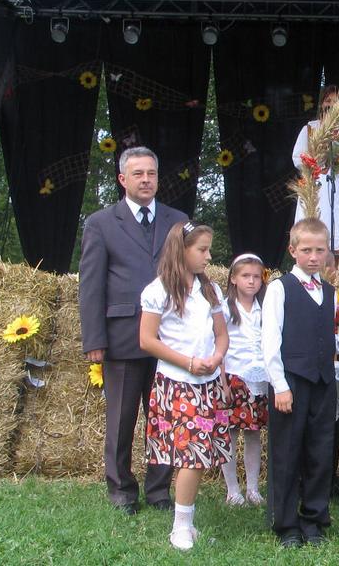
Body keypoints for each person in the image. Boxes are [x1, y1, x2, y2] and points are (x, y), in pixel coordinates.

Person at [79, 146, 186, 515]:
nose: (146, 180)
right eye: (138, 174)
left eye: (151, 173)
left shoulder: (178, 220)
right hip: (122, 337)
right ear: (122, 179)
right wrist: (94, 339)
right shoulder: (101, 223)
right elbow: (91, 285)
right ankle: (122, 491)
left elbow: (190, 276)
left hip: (169, 338)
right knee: (122, 420)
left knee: (163, 419)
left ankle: (159, 491)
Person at [262, 217, 339, 548]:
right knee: (288, 452)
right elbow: (270, 341)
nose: (313, 257)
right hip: (292, 381)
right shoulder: (279, 288)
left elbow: (325, 336)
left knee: (320, 450)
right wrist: (280, 385)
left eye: (320, 251)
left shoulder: (329, 292)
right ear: (293, 250)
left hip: (323, 381)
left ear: (328, 254)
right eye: (306, 250)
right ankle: (287, 525)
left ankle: (314, 520)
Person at [140, 221, 230, 550]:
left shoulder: (210, 289)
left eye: (209, 249)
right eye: (202, 250)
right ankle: (180, 527)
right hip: (178, 384)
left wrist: (216, 358)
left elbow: (222, 335)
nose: (209, 256)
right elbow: (147, 340)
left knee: (199, 455)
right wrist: (189, 363)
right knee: (190, 455)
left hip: (206, 384)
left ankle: (187, 523)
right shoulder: (159, 290)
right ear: (182, 250)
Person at [219, 253, 269, 506]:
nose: (251, 281)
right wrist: (222, 382)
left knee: (253, 433)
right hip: (233, 377)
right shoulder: (226, 308)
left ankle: (253, 488)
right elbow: (217, 345)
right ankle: (232, 490)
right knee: (229, 433)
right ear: (233, 279)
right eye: (245, 276)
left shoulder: (265, 308)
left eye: (256, 277)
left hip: (258, 379)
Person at [292, 85, 339, 252]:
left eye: (336, 101)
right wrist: (313, 163)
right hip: (316, 183)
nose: (331, 104)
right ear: (321, 104)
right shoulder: (310, 128)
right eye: (328, 100)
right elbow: (297, 157)